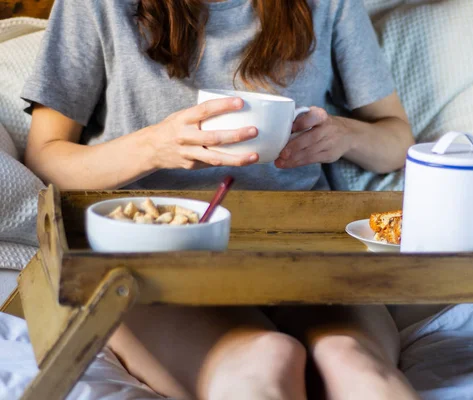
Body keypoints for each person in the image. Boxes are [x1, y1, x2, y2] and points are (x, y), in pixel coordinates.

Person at [22, 0, 417, 399]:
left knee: (351, 361)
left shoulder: (330, 5)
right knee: (265, 360)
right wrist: (155, 147)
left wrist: (344, 135)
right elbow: (45, 156)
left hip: (303, 258)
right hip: (155, 266)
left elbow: (398, 140)